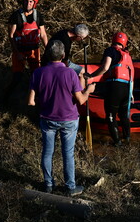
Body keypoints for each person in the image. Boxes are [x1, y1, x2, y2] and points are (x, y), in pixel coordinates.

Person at [28, 40, 96, 196]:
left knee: (47, 152)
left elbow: (30, 102)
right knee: (67, 153)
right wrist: (89, 90)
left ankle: (48, 185)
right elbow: (81, 100)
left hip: (47, 118)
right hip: (69, 119)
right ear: (63, 55)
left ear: (47, 55)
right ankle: (70, 187)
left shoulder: (37, 73)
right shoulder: (70, 73)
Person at [85, 32, 134, 146]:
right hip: (127, 88)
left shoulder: (110, 50)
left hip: (114, 87)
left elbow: (105, 67)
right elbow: (132, 75)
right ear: (125, 43)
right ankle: (127, 139)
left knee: (111, 115)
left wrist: (91, 76)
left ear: (113, 41)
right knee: (123, 116)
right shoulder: (127, 55)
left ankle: (117, 143)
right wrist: (131, 93)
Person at [5, 0, 48, 99]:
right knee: (17, 77)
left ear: (34, 3)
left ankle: (35, 99)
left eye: (30, 1)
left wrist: (48, 50)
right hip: (20, 50)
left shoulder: (38, 15)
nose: (28, 3)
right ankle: (5, 97)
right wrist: (17, 53)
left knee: (37, 75)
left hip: (34, 50)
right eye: (26, 1)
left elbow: (43, 34)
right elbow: (11, 36)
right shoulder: (16, 15)